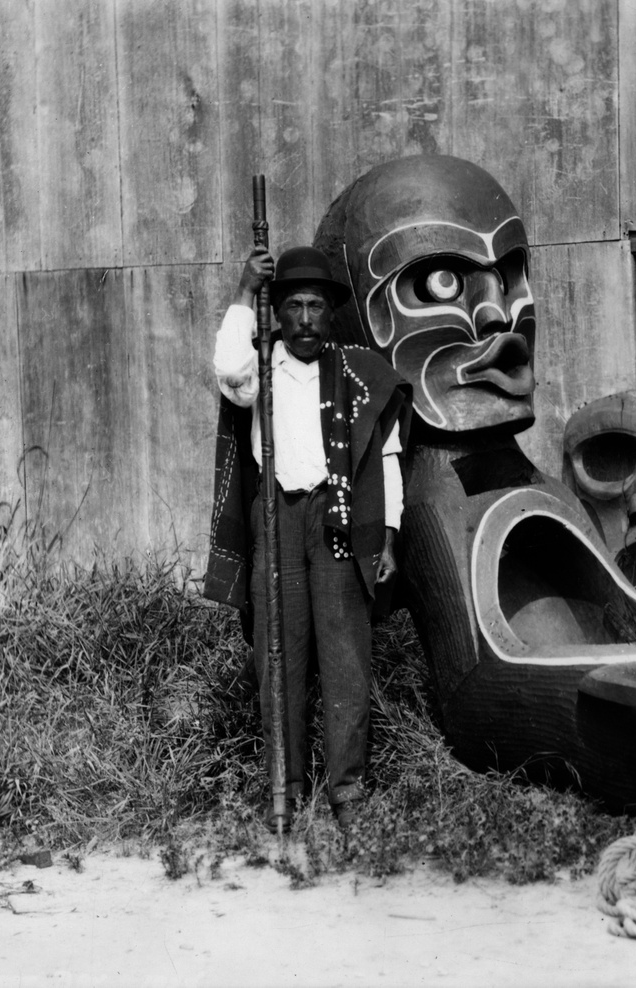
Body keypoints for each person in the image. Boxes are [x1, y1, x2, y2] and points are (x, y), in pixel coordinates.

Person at [203, 245, 408, 830]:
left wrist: (388, 534)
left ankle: (347, 793)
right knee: (279, 656)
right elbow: (229, 370)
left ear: (330, 311)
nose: (306, 319)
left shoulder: (358, 371)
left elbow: (387, 459)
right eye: (293, 306)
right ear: (278, 313)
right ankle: (285, 790)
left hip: (337, 518)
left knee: (346, 657)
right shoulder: (259, 368)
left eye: (316, 306)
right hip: (276, 517)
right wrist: (245, 290)